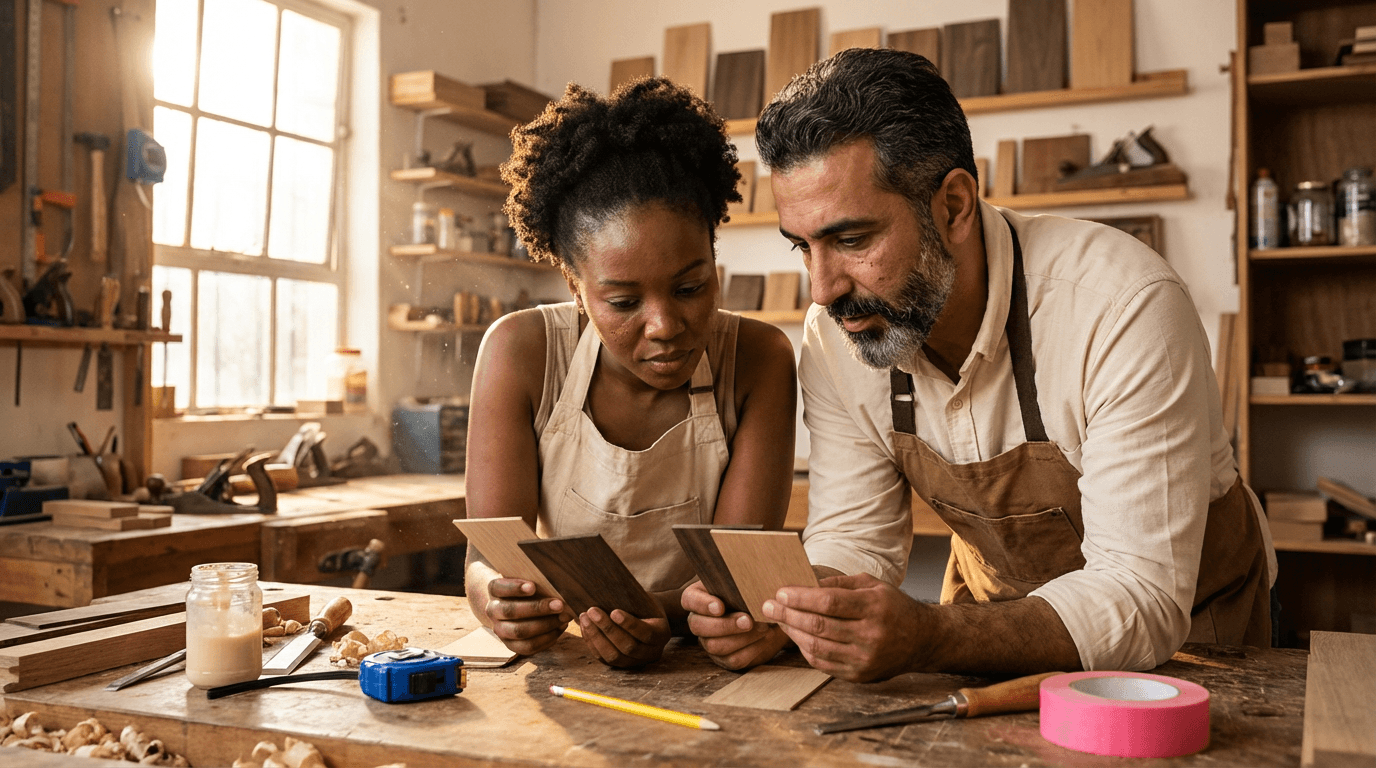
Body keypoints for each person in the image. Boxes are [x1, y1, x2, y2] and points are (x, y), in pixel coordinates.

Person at [683, 48, 1275, 681]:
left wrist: (930, 637)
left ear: (955, 206)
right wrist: (799, 608)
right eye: (803, 247)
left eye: (852, 240)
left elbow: (1140, 594)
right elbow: (855, 538)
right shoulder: (838, 336)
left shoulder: (1122, 306)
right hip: (988, 629)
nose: (822, 289)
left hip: (1192, 638)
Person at [463, 77, 797, 668]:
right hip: (566, 666)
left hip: (707, 663)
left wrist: (658, 615)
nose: (665, 324)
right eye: (622, 302)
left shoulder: (760, 361)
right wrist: (499, 600)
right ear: (575, 286)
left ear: (715, 260)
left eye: (691, 287)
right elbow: (487, 560)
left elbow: (735, 575)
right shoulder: (521, 353)